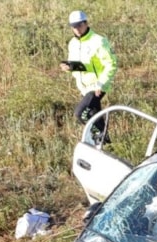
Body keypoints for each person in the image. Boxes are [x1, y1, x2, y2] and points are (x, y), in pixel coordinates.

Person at [60, 10, 117, 143]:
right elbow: (79, 66)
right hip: (83, 88)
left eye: (80, 25)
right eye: (74, 26)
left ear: (86, 23)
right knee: (93, 115)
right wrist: (69, 67)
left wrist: (101, 83)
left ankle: (100, 138)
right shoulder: (72, 44)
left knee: (80, 113)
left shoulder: (99, 41)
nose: (77, 29)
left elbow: (111, 64)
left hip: (97, 86)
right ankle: (106, 143)